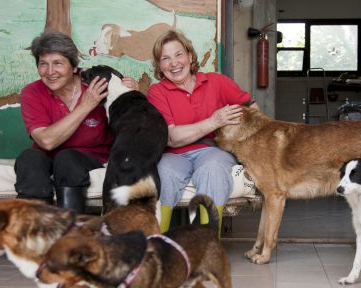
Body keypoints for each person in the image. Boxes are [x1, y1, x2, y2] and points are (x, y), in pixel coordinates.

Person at [147, 29, 259, 232]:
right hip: (174, 153)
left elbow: (253, 110)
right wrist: (214, 121)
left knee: (212, 170)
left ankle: (208, 245)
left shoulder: (216, 81)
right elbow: (172, 138)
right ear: (159, 65)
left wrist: (246, 144)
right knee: (164, 173)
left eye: (179, 54)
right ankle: (160, 244)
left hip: (214, 150)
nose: (174, 63)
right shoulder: (157, 92)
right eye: (165, 58)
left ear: (190, 56)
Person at [15, 31, 138, 213]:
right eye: (43, 64)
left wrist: (131, 94)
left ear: (74, 67)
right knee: (28, 158)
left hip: (92, 157)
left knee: (67, 159)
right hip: (48, 157)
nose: (50, 72)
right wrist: (85, 106)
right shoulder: (32, 92)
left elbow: (133, 124)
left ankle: (69, 233)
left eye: (57, 63)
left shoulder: (98, 84)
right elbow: (46, 141)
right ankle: (36, 233)